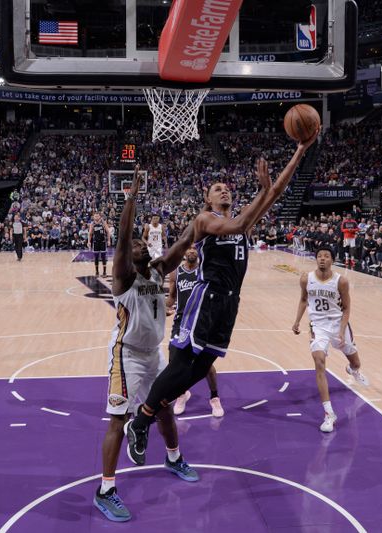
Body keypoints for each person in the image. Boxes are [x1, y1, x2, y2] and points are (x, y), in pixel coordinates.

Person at [124, 132, 318, 465]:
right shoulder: (206, 220)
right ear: (208, 199)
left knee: (200, 370)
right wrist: (262, 191)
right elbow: (244, 218)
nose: (224, 189)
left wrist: (299, 151)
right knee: (182, 366)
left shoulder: (240, 223)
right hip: (206, 299)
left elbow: (275, 193)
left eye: (227, 187)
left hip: (230, 304)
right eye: (217, 189)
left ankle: (143, 419)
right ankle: (141, 422)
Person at [95, 167, 198, 523]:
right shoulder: (123, 276)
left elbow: (184, 242)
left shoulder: (156, 270)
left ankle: (173, 457)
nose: (139, 243)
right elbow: (123, 238)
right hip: (127, 356)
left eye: (143, 241)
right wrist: (131, 199)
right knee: (117, 420)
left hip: (153, 354)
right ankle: (106, 490)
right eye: (135, 243)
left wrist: (201, 220)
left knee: (164, 408)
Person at [292, 246, 369, 432]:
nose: (322, 259)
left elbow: (347, 308)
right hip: (318, 326)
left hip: (337, 324)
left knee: (356, 361)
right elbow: (303, 300)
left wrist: (342, 331)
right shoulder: (306, 278)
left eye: (326, 256)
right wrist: (296, 321)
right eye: (319, 256)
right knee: (319, 362)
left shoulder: (341, 281)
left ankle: (353, 370)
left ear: (332, 260)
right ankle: (329, 414)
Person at [167, 247, 223, 418]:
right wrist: (163, 306)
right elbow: (171, 297)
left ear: (199, 252)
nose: (191, 251)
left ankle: (214, 397)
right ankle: (182, 393)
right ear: (184, 252)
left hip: (202, 322)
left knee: (205, 363)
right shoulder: (176, 273)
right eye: (189, 248)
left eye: (195, 248)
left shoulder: (205, 271)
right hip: (181, 321)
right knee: (174, 361)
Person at [89, 213, 110, 277]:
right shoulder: (92, 224)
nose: (96, 217)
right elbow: (90, 233)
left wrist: (109, 240)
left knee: (103, 257)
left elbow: (108, 232)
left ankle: (104, 272)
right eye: (95, 216)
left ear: (99, 217)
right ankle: (97, 272)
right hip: (96, 242)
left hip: (102, 242)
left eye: (97, 216)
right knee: (96, 258)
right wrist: (88, 241)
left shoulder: (103, 223)